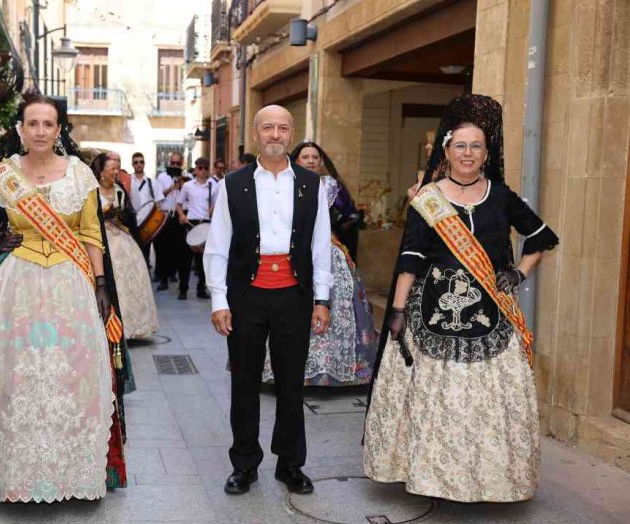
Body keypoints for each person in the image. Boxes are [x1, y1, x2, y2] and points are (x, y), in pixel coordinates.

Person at [362, 94, 559, 503]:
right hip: (430, 311)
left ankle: (487, 480)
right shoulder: (428, 199)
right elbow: (410, 259)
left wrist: (518, 272)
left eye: (476, 147)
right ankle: (433, 478)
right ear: (447, 151)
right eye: (460, 146)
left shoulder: (501, 197)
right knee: (435, 399)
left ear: (486, 153)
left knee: (485, 404)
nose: (467, 154)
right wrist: (397, 310)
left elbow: (541, 239)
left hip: (492, 314)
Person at [0, 95, 126, 502]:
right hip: (16, 286)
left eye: (48, 124)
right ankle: (13, 472)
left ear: (58, 130)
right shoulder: (4, 174)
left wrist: (100, 284)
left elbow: (91, 234)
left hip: (69, 286)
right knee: (15, 374)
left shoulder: (79, 175)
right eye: (33, 123)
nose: (40, 131)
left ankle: (71, 472)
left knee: (70, 374)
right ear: (21, 130)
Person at [204, 105, 332, 495]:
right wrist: (219, 300)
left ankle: (290, 464)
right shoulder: (234, 183)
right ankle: (244, 464)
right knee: (244, 383)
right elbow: (217, 245)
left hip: (294, 296)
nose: (275, 135)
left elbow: (320, 245)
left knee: (292, 384)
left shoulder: (313, 184)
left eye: (282, 128)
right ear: (256, 134)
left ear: (291, 134)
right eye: (267, 128)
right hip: (246, 297)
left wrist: (322, 299)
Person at [262, 142, 378, 387]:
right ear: (296, 159)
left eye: (316, 156)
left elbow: (349, 214)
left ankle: (332, 368)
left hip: (330, 252)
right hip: (292, 252)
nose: (312, 160)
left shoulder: (331, 185)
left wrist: (346, 222)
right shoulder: (284, 183)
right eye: (306, 156)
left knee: (338, 304)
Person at [93, 153, 160, 339]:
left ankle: (133, 327)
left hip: (123, 239)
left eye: (117, 168)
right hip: (103, 241)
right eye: (112, 169)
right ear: (101, 172)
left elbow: (130, 215)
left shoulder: (120, 189)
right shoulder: (93, 191)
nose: (116, 172)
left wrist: (120, 215)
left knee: (132, 280)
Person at [176, 157, 218, 300]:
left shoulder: (213, 186)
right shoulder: (188, 186)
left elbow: (215, 205)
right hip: (191, 222)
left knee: (203, 261)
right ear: (195, 169)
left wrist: (213, 209)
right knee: (185, 259)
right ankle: (183, 289)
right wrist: (181, 215)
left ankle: (201, 288)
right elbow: (179, 204)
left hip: (205, 223)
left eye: (206, 168)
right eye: (200, 168)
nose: (203, 171)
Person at [154, 151, 189, 290]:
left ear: (181, 164)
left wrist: (182, 185)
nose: (174, 165)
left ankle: (173, 273)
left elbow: (188, 199)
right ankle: (163, 279)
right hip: (166, 215)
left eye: (177, 163)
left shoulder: (187, 178)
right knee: (163, 248)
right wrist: (172, 187)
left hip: (179, 215)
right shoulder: (162, 177)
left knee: (178, 247)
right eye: (172, 163)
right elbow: (159, 196)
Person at [128, 151, 163, 261]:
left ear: (144, 164)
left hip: (147, 222)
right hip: (131, 222)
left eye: (141, 162)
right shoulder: (127, 180)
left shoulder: (152, 182)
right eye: (136, 162)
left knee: (145, 254)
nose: (139, 164)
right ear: (132, 164)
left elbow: (159, 203)